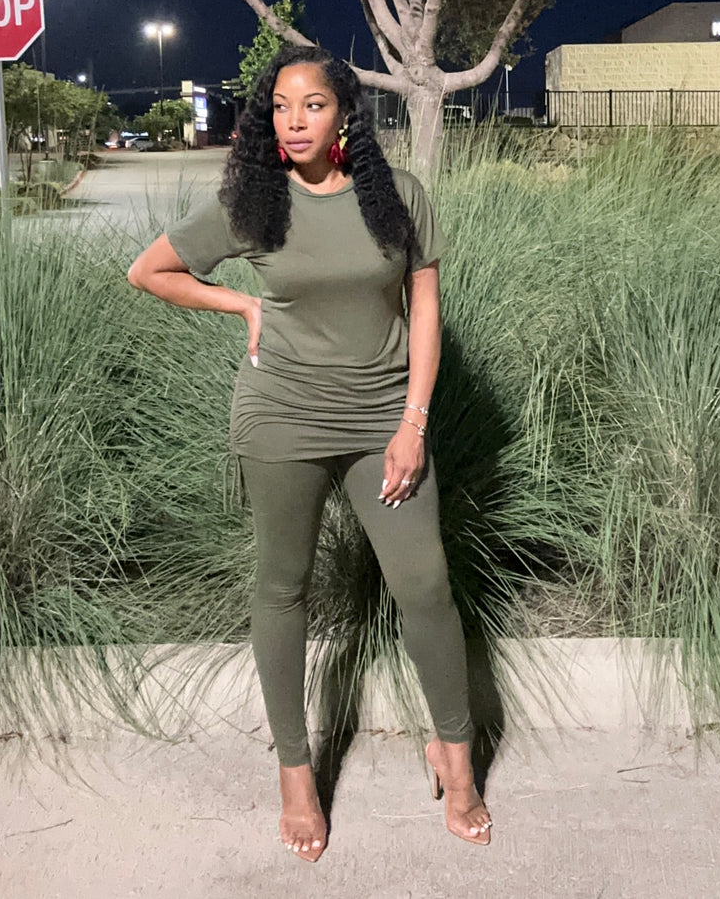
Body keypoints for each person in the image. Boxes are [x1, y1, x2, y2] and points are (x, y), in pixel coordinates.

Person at [127, 45, 491, 861]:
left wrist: (414, 422)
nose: (294, 121)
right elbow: (148, 269)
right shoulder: (252, 204)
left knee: (424, 583)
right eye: (281, 107)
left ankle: (455, 757)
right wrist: (241, 307)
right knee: (282, 586)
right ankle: (296, 772)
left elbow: (424, 314)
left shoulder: (398, 200)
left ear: (343, 115)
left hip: (380, 421)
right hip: (282, 416)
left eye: (313, 105)